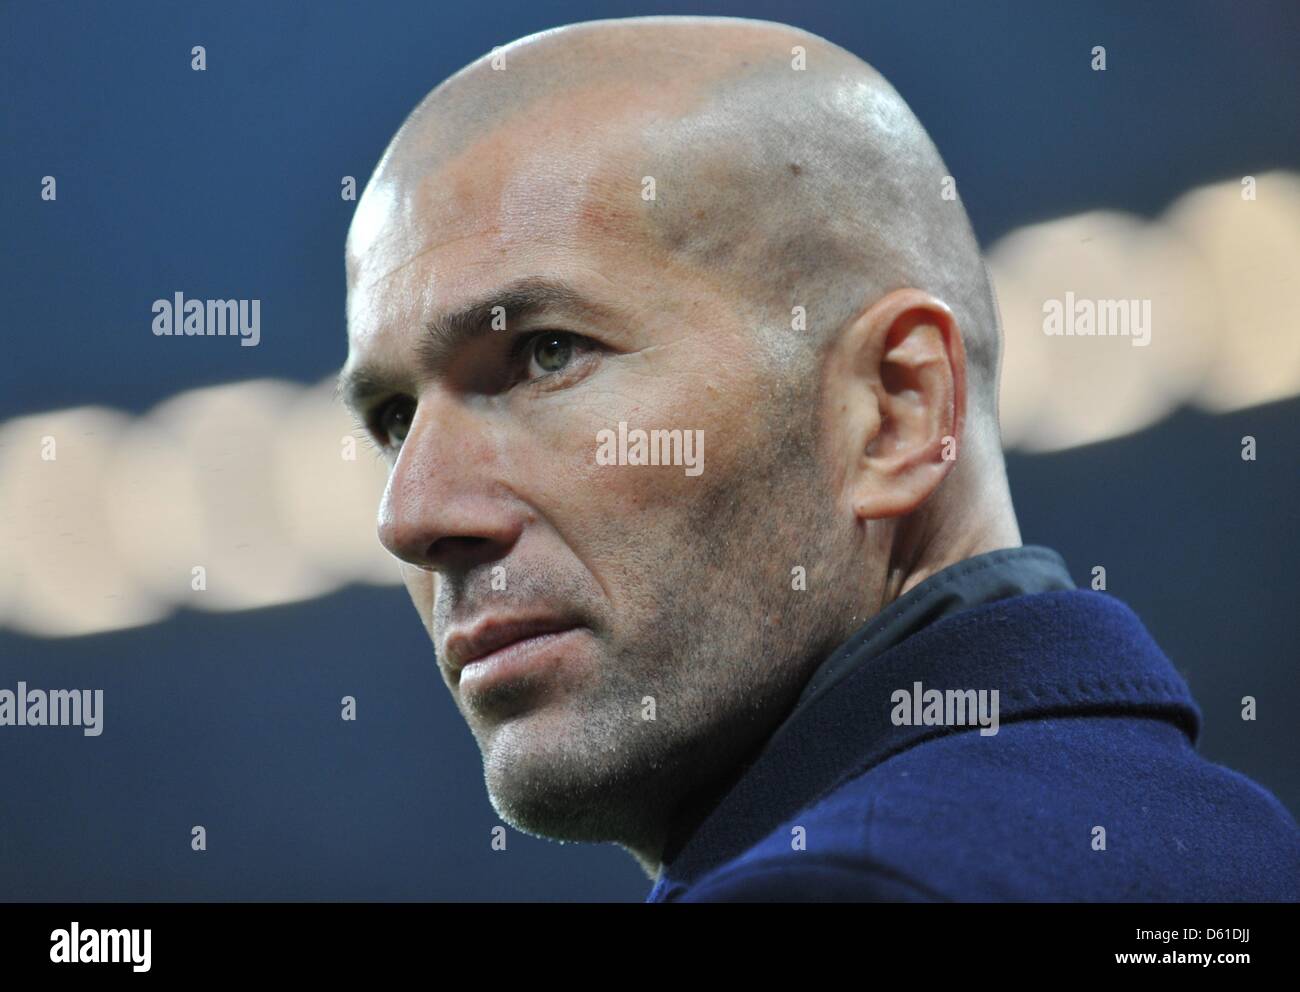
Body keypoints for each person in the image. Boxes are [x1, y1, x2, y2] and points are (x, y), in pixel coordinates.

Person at [339, 15, 1300, 900]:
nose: (411, 517)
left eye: (547, 354)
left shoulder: (852, 885)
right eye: (390, 418)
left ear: (894, 409)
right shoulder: (1224, 844)